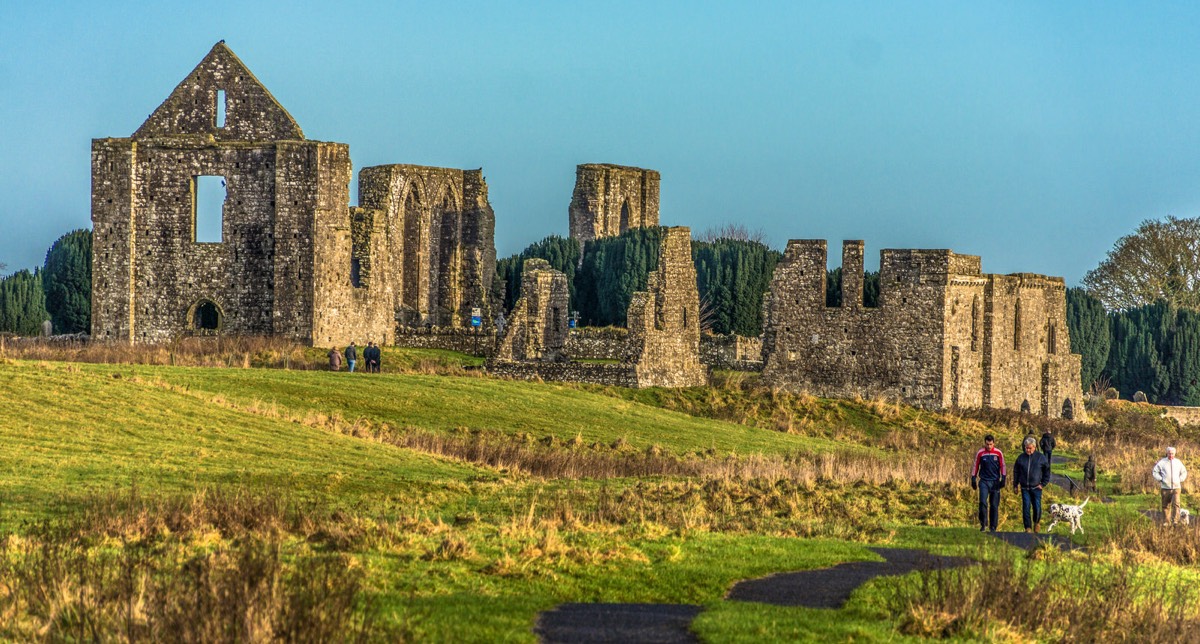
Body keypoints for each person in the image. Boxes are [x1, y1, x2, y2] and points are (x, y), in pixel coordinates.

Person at [1013, 436, 1051, 533]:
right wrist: (1015, 485)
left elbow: (1047, 471)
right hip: (1025, 487)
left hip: (1036, 487)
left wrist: (1043, 484)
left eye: (1030, 448)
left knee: (1037, 507)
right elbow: (1016, 471)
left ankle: (1036, 522)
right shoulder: (1021, 458)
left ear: (1034, 447)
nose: (1028, 450)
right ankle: (1027, 528)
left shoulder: (1041, 457)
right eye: (1026, 448)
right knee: (1026, 507)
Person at [971, 434, 1007, 532]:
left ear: (993, 443)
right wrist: (973, 478)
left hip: (995, 482)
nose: (989, 446)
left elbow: (1003, 465)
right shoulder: (981, 453)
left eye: (991, 444)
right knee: (983, 502)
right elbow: (976, 465)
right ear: (985, 443)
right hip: (984, 481)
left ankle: (993, 526)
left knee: (994, 505)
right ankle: (983, 524)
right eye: (987, 444)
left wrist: (1003, 478)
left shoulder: (998, 453)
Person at [1152, 446, 1188, 525]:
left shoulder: (1178, 462)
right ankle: (1166, 522)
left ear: (1175, 454)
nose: (1171, 455)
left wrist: (1180, 479)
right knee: (1165, 505)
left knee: (1176, 504)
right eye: (1169, 453)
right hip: (1165, 488)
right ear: (1167, 453)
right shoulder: (1162, 462)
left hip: (1176, 487)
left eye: (1172, 454)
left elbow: (1184, 472)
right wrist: (1161, 479)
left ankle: (1175, 521)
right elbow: (1155, 472)